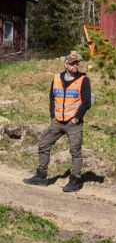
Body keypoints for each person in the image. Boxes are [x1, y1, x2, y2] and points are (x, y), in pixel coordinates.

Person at [23, 51, 92, 192]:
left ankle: (75, 180)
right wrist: (52, 115)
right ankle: (41, 176)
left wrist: (77, 118)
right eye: (72, 63)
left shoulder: (83, 80)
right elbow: (51, 97)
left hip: (73, 124)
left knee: (75, 151)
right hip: (57, 122)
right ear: (66, 64)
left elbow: (87, 102)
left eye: (77, 63)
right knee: (43, 144)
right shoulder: (56, 78)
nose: (75, 65)